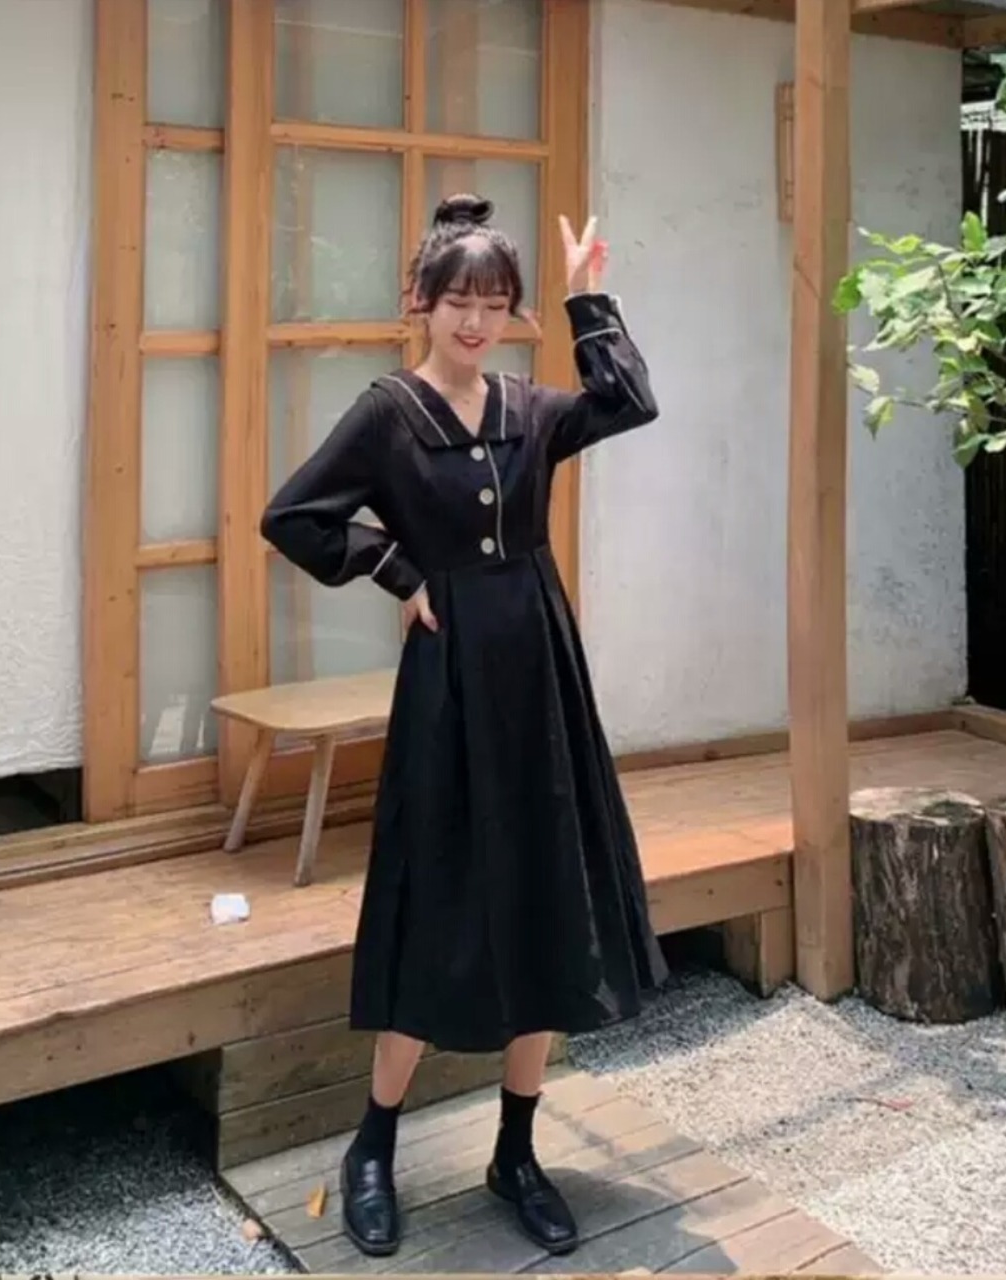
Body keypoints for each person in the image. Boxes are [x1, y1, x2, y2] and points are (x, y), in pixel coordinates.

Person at [259, 193, 670, 1258]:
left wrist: (587, 299)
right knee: (435, 892)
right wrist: (397, 569)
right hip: (448, 681)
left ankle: (515, 1152)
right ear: (420, 302)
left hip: (539, 668)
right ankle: (372, 1146)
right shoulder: (388, 413)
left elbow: (629, 401)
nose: (477, 322)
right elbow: (292, 516)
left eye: (495, 304)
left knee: (543, 886)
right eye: (459, 302)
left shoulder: (532, 409)